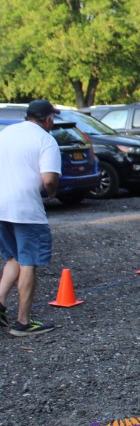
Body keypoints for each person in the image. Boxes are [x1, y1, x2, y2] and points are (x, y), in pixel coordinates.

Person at [0, 99, 62, 336]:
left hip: (1, 207)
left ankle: (0, 303)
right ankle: (23, 323)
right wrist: (52, 192)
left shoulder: (6, 133)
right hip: (25, 209)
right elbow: (49, 179)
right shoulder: (45, 140)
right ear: (47, 119)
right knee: (28, 262)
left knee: (14, 258)